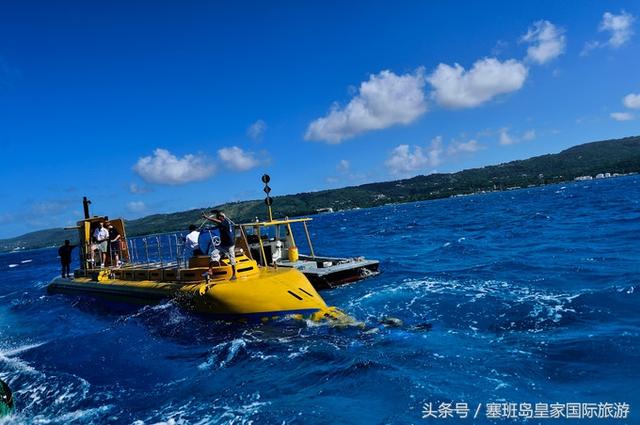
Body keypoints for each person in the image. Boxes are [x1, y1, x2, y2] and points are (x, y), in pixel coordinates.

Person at [202, 210, 237, 280]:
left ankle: (234, 275)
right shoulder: (221, 223)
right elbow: (217, 226)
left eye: (218, 217)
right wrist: (209, 229)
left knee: (232, 259)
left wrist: (207, 217)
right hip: (223, 244)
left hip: (230, 245)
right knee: (213, 253)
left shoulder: (226, 222)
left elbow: (217, 222)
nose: (217, 218)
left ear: (222, 217)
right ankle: (210, 270)